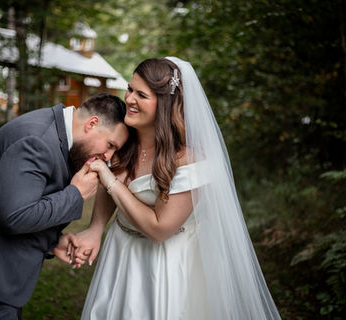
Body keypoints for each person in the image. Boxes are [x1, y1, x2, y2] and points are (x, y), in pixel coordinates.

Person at [67, 58, 281, 319]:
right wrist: (96, 228)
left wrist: (108, 180)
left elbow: (159, 229)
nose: (130, 99)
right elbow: (113, 187)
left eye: (142, 95)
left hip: (164, 263)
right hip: (120, 251)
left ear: (165, 104)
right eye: (130, 89)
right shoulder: (125, 138)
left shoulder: (189, 159)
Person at [0, 93, 129, 320]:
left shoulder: (60, 136)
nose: (108, 157)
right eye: (110, 145)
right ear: (92, 123)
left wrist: (53, 241)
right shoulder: (36, 140)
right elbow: (16, 216)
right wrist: (76, 194)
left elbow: (30, 202)